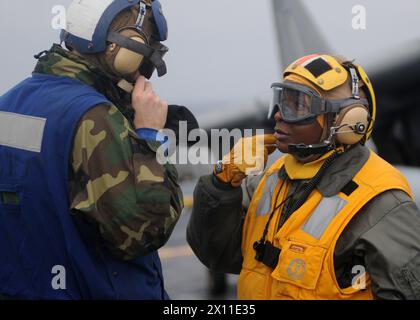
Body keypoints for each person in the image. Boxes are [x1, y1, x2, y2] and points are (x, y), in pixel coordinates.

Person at [187, 54, 420, 300]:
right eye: (280, 101)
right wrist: (222, 182)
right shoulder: (269, 180)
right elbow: (216, 254)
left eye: (297, 105)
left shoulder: (383, 204)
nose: (278, 114)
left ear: (346, 122)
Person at [0, 0, 184, 299]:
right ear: (128, 48)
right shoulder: (96, 118)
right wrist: (151, 137)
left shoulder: (9, 102)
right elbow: (143, 230)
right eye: (149, 47)